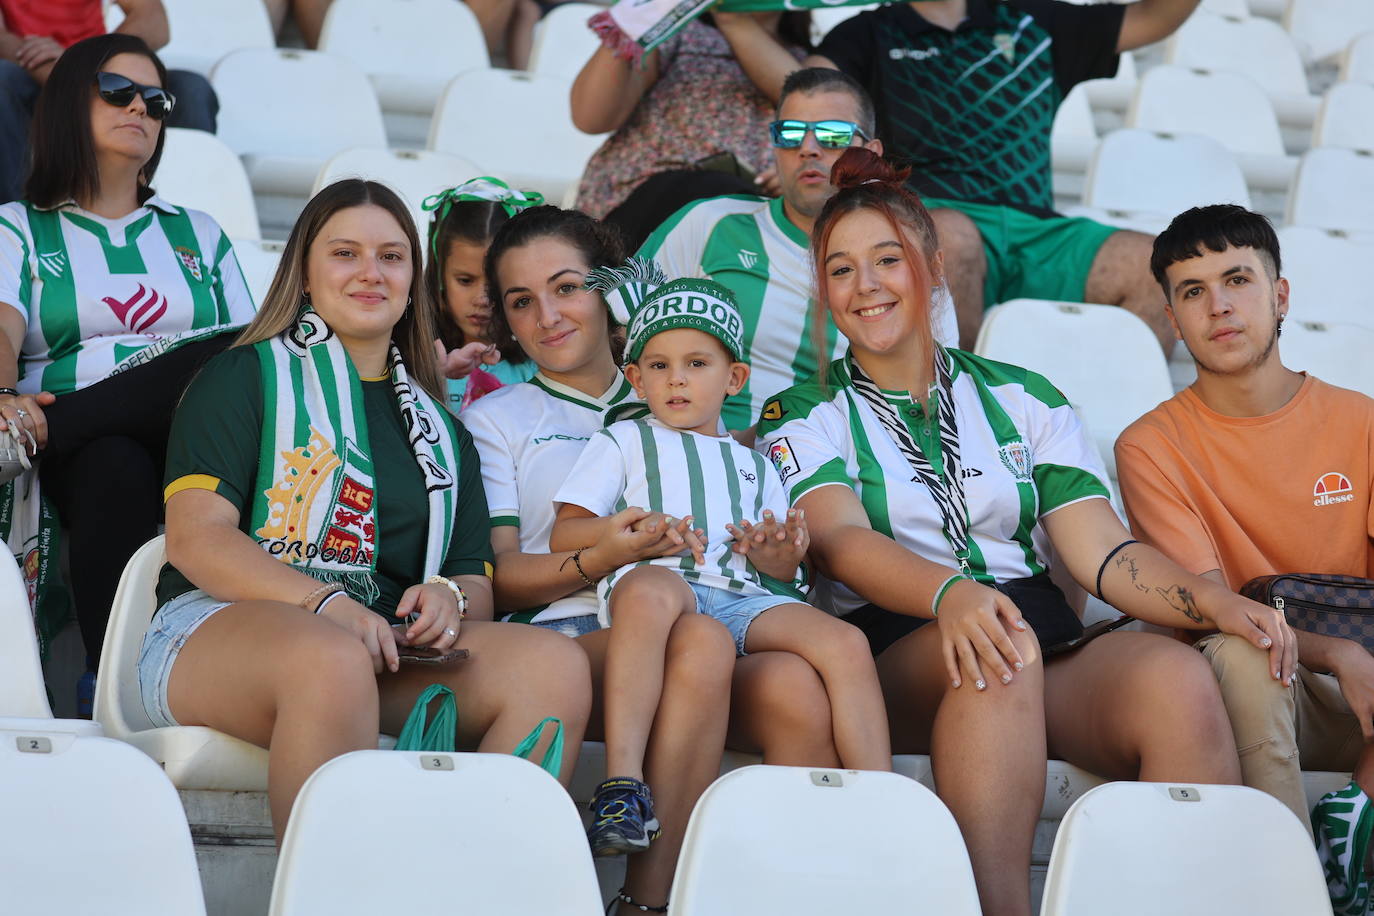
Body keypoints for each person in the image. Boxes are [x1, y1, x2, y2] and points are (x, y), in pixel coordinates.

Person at [755, 148, 1286, 916]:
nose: (865, 284)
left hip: (1036, 634)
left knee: (1175, 681)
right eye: (841, 270)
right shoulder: (802, 410)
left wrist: (1213, 602)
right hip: (899, 647)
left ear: (934, 267)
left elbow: (1102, 552)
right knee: (996, 646)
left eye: (888, 260)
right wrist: (953, 596)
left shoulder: (1025, 395)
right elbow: (839, 539)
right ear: (823, 288)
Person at [144, 179, 591, 841]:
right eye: (345, 253)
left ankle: (465, 878)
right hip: (219, 629)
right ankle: (331, 885)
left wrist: (447, 599)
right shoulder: (242, 376)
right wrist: (326, 604)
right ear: (304, 272)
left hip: (378, 645)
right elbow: (196, 539)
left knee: (553, 667)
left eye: (391, 256)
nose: (371, 272)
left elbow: (474, 579)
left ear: (414, 280)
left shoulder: (443, 429)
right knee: (329, 658)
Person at [462, 205, 841, 915]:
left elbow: (752, 554)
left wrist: (780, 556)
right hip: (574, 636)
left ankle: (804, 886)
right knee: (696, 638)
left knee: (794, 685)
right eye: (521, 301)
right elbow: (498, 576)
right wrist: (605, 553)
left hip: (707, 620)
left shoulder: (688, 391)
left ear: (607, 289)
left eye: (567, 287)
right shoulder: (498, 417)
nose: (548, 315)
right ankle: (648, 899)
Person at [551, 272, 892, 854]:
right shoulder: (624, 441)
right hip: (665, 588)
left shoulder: (756, 461)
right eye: (658, 366)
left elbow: (786, 575)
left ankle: (882, 804)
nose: (676, 378)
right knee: (649, 590)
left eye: (697, 363)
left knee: (845, 643)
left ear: (734, 378)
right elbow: (566, 534)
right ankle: (623, 786)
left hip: (744, 599)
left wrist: (781, 557)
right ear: (635, 378)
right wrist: (632, 533)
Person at [1114, 205, 1374, 890]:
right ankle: (1287, 888)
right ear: (1173, 321)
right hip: (1263, 689)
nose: (1219, 307)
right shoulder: (1151, 446)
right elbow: (1216, 607)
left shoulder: (1363, 421)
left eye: (1237, 280)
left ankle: (1355, 818)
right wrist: (1338, 654)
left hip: (1366, 680)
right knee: (1245, 652)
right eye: (1193, 292)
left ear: (1280, 295)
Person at [713, 0, 1203, 351]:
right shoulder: (868, 32)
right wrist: (734, 21)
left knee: (1153, 264)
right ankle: (954, 419)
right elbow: (809, 92)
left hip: (1037, 227)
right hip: (933, 217)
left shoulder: (1034, 18)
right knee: (953, 238)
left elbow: (1154, 17)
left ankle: (1107, 418)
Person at [0, 33, 253, 709]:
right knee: (112, 459)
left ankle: (55, 426)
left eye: (156, 99)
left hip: (197, 430)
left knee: (226, 351)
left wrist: (45, 422)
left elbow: (248, 356)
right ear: (66, 104)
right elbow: (2, 327)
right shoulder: (20, 227)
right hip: (91, 455)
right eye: (118, 91)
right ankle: (110, 682)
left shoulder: (199, 233)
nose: (140, 107)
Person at [638, 67, 956, 433]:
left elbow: (928, 398)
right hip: (699, 448)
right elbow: (618, 329)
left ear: (871, 152)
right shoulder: (710, 223)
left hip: (838, 453)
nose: (807, 148)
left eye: (832, 134)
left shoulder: (904, 264)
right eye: (789, 134)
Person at [571, 10, 810, 247]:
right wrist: (633, 18)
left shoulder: (809, 61)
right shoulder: (678, 33)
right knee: (718, 196)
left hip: (752, 219)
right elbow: (591, 117)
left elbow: (806, 101)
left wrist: (792, 177)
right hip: (649, 203)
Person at [0, 0, 218, 203]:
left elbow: (154, 22)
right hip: (34, 76)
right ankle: (17, 219)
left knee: (192, 90)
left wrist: (88, 63)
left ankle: (180, 214)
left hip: (98, 71)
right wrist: (69, 75)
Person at [422, 177, 540, 411]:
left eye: (496, 282)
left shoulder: (540, 368)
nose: (483, 299)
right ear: (439, 277)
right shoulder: (412, 363)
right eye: (465, 280)